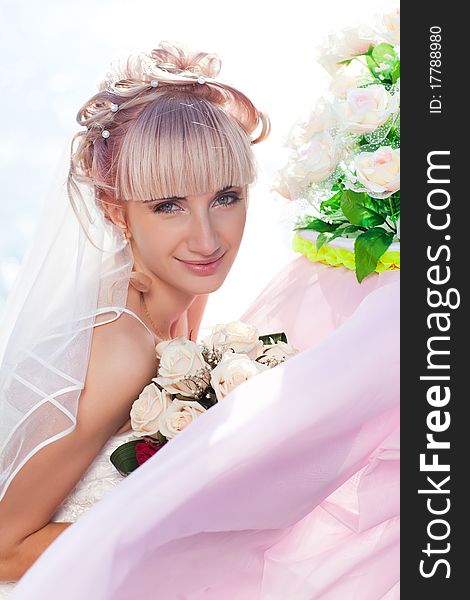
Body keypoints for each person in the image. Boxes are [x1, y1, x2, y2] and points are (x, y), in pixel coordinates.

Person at [0, 40, 269, 590]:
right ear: (114, 210)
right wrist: (178, 501)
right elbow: (3, 552)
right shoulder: (119, 347)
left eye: (226, 196)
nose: (206, 237)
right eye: (167, 205)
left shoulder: (184, 290)